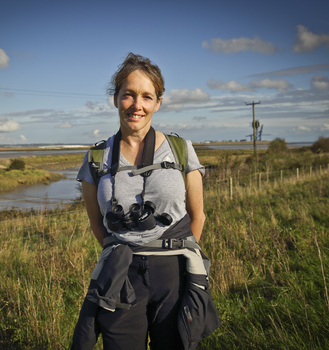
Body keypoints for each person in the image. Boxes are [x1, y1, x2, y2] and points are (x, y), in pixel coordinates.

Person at [71, 53, 219, 350]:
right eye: (129, 95)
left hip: (174, 273)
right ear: (116, 99)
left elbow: (198, 215)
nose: (137, 105)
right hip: (122, 275)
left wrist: (177, 252)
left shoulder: (180, 149)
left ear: (157, 103)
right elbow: (96, 223)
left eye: (146, 97)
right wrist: (123, 251)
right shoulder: (97, 158)